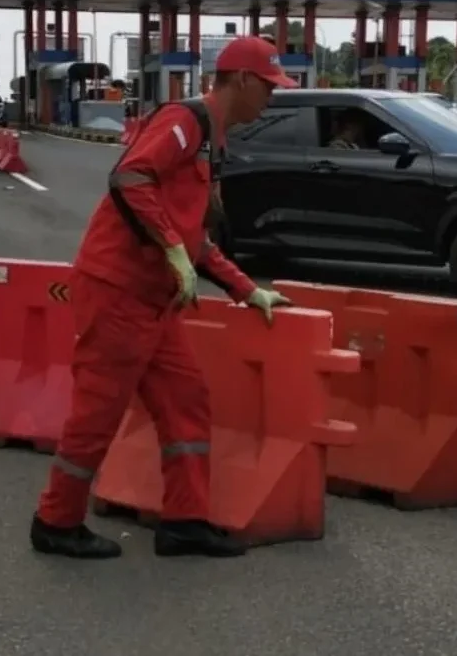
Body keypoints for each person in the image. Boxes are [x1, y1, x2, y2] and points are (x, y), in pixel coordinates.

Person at [30, 36, 298, 560]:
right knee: (98, 412)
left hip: (156, 302)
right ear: (241, 80)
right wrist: (173, 250)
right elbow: (129, 177)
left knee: (187, 404)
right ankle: (54, 521)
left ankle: (184, 523)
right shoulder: (185, 121)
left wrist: (247, 290)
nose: (272, 98)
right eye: (268, 87)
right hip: (118, 292)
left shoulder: (213, 141)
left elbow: (193, 234)